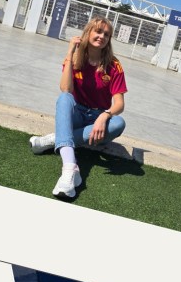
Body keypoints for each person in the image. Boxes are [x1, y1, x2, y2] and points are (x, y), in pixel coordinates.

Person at [29, 16, 128, 199]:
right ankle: (70, 169)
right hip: (77, 114)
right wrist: (69, 53)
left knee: (118, 124)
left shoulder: (114, 65)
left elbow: (119, 104)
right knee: (64, 98)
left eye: (106, 34)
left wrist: (104, 116)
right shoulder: (75, 57)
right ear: (88, 32)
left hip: (97, 118)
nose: (102, 36)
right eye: (98, 31)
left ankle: (54, 139)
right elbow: (66, 88)